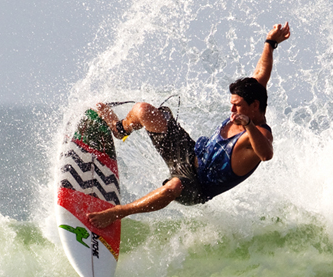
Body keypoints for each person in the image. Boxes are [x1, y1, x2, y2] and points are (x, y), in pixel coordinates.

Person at [87, 23, 291, 229]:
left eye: (237, 106)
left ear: (255, 106)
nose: (232, 110)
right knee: (144, 110)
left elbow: (266, 154)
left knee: (172, 187)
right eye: (232, 104)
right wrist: (270, 42)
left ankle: (118, 213)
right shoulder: (253, 97)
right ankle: (119, 129)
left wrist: (247, 124)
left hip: (198, 187)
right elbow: (260, 75)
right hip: (190, 153)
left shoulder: (258, 135)